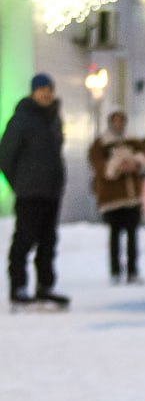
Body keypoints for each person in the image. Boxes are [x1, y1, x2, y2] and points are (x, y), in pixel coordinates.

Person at [1, 73, 70, 309]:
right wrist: (19, 183)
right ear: (33, 92)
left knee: (48, 241)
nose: (46, 93)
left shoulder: (53, 119)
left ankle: (45, 287)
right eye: (42, 89)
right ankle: (18, 287)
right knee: (24, 239)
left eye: (49, 89)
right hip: (30, 191)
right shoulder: (21, 120)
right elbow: (6, 156)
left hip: (51, 190)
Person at [89, 111, 145, 284]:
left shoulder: (133, 141)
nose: (119, 124)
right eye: (116, 121)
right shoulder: (101, 143)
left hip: (131, 196)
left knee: (132, 235)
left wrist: (136, 163)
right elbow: (97, 164)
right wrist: (116, 166)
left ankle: (132, 270)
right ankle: (115, 271)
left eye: (121, 121)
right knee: (115, 235)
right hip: (112, 197)